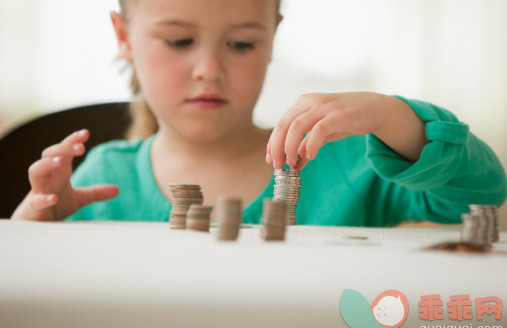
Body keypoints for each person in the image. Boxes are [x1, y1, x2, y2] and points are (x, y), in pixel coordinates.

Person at [11, 0, 506, 225]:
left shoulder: (352, 164)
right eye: (180, 40)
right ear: (124, 38)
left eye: (242, 43)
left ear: (273, 37)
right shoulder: (99, 180)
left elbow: (484, 193)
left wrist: (391, 115)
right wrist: (32, 224)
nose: (209, 69)